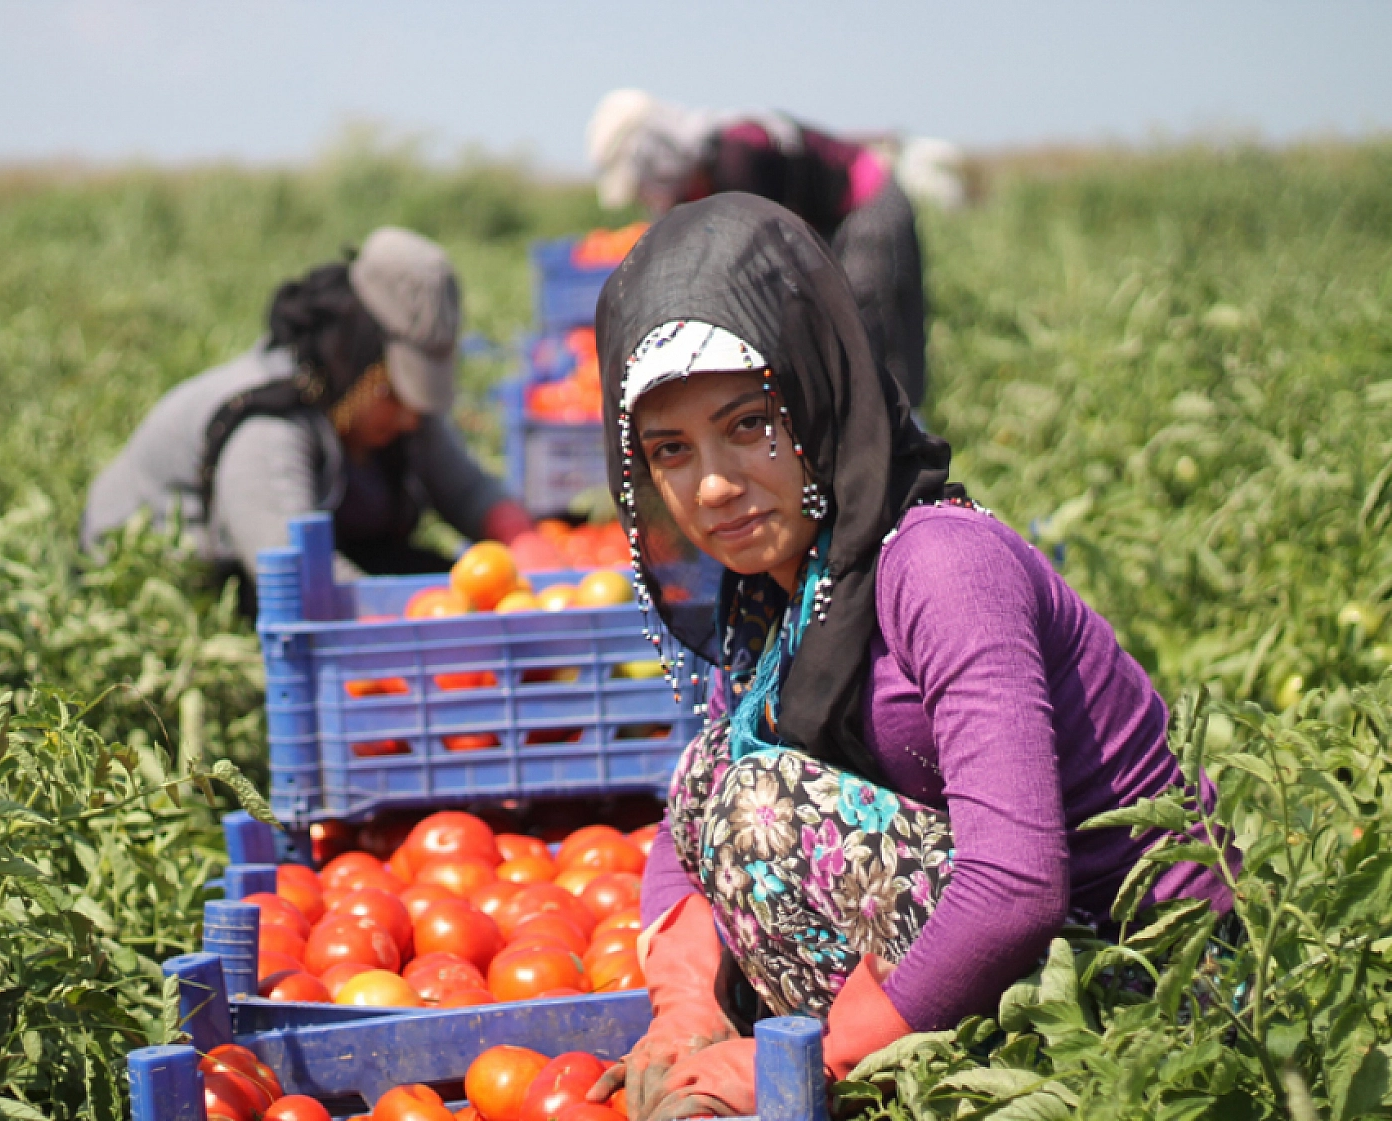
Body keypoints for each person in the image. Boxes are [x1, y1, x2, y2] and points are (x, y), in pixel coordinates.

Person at [584, 195, 1234, 1120]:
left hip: (1146, 986)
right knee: (711, 775)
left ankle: (844, 1070)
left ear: (815, 393)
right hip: (1008, 957)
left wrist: (811, 1060)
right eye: (671, 451)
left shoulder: (939, 563)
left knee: (760, 808)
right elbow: (687, 826)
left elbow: (1014, 886)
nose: (715, 483)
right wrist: (684, 1006)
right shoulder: (782, 583)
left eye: (746, 425)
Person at [80, 227, 548, 614]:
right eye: (395, 392)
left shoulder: (394, 411)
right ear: (358, 363)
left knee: (426, 573)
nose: (411, 418)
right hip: (174, 586)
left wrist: (526, 546)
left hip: (297, 564)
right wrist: (416, 627)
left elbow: (465, 488)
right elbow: (295, 573)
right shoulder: (268, 424)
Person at [586, 89, 929, 414]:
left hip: (866, 204)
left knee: (868, 333)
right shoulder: (690, 187)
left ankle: (898, 443)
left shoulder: (738, 154)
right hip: (821, 225)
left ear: (662, 159)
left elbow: (763, 265)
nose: (648, 197)